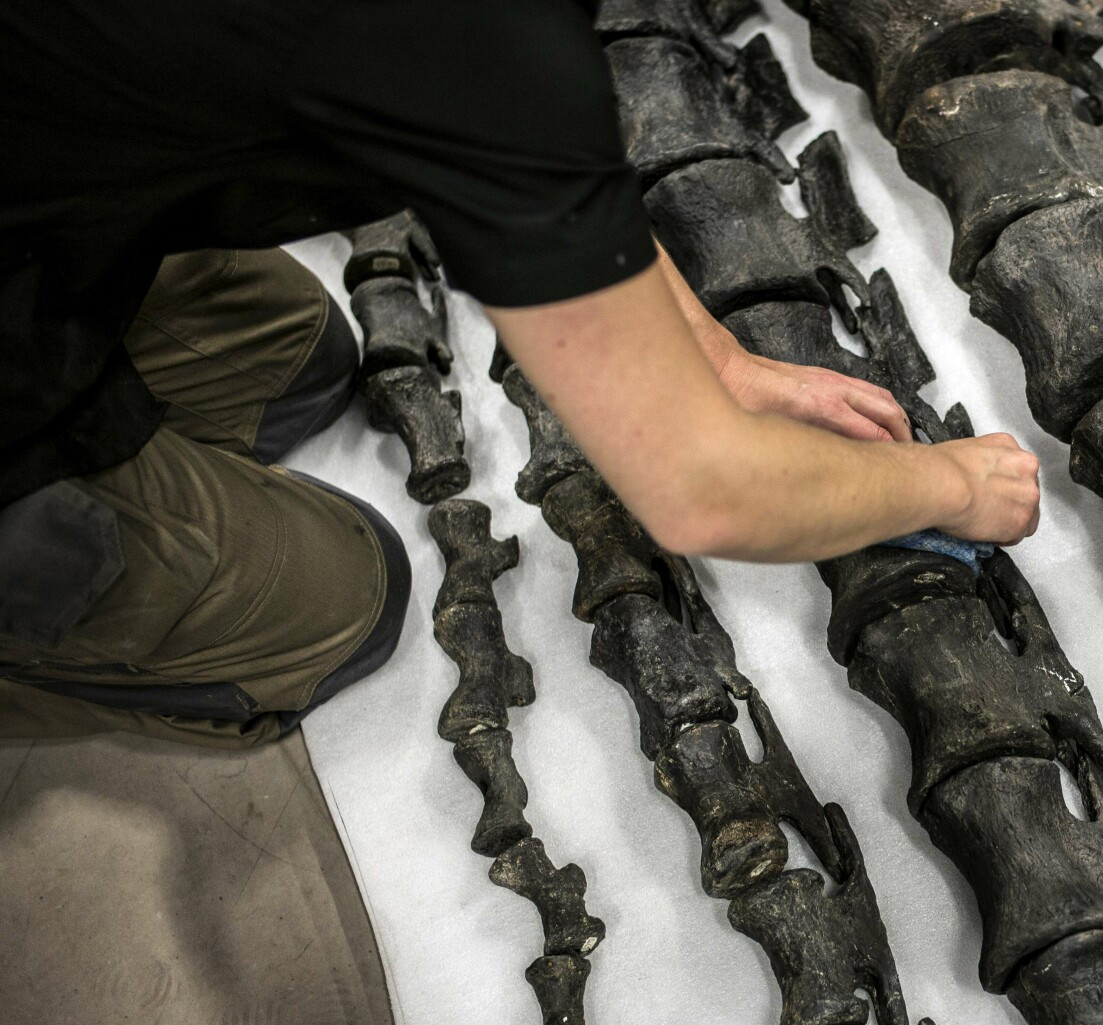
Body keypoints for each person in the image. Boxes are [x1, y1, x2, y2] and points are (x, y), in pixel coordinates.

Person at [0, 0, 1043, 748]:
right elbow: (703, 494)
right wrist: (952, 485)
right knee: (348, 603)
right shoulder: (480, 41)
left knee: (298, 361)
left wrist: (714, 361)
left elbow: (508, 146)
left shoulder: (467, 48)